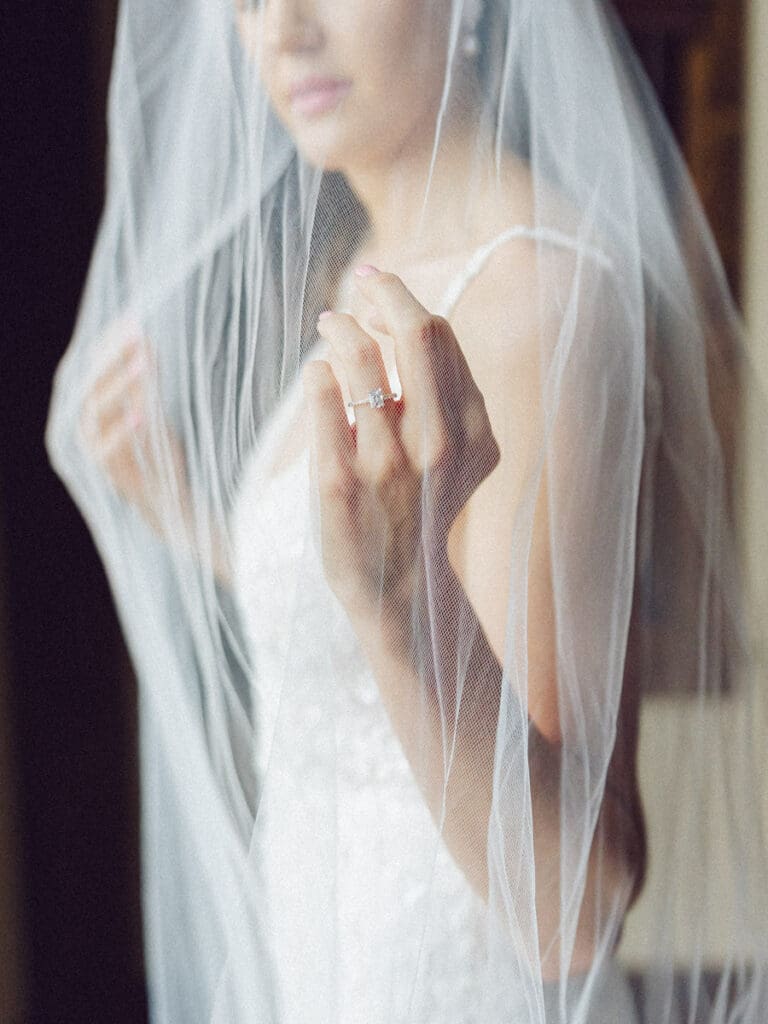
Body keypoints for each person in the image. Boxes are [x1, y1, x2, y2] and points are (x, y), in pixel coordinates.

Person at [47, 1, 767, 1021]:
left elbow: (574, 901)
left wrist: (397, 605)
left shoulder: (533, 298)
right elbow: (349, 649)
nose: (283, 29)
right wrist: (185, 511)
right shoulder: (366, 271)